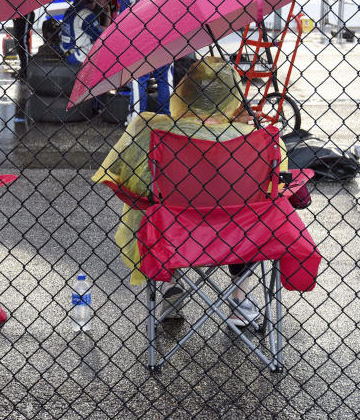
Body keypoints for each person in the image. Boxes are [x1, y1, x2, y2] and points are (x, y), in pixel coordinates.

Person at [92, 55, 286, 327]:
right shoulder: (257, 138)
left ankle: (174, 290)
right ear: (234, 93)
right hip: (239, 234)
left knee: (158, 207)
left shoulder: (151, 130)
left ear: (182, 91)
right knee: (253, 208)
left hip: (175, 234)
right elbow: (276, 188)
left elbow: (130, 182)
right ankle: (240, 300)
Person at [60, 0, 111, 65]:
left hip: (68, 52)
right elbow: (100, 36)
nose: (105, 1)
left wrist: (107, 12)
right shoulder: (86, 14)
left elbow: (99, 29)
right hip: (78, 56)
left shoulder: (71, 9)